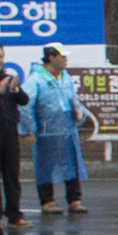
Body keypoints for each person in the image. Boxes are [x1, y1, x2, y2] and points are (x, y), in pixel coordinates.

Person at [28, 45, 86, 215]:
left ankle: (74, 199)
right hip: (46, 131)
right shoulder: (36, 79)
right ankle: (47, 200)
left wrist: (79, 113)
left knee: (71, 163)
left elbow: (73, 99)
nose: (66, 60)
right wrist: (29, 129)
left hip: (67, 129)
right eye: (62, 56)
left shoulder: (65, 77)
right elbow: (27, 107)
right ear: (51, 57)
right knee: (46, 165)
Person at [0, 44, 25, 228]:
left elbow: (24, 100)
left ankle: (14, 214)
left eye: (1, 56)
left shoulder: (8, 78)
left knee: (12, 173)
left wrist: (15, 90)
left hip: (9, 131)